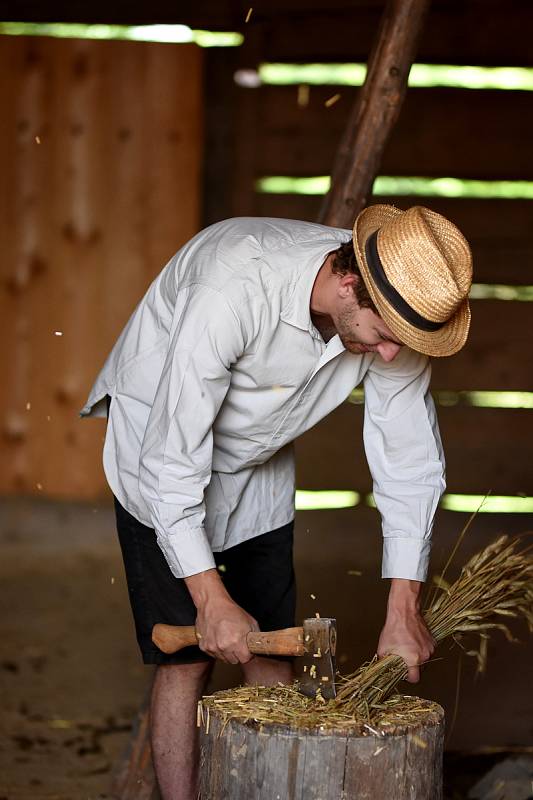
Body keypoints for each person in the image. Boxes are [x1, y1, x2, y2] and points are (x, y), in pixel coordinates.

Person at [81, 204, 472, 799]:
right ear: (347, 284)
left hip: (258, 460)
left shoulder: (396, 298)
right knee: (188, 659)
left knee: (272, 656)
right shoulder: (233, 285)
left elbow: (409, 462)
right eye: (388, 338)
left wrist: (404, 606)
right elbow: (172, 462)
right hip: (158, 449)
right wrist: (209, 600)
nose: (394, 356)